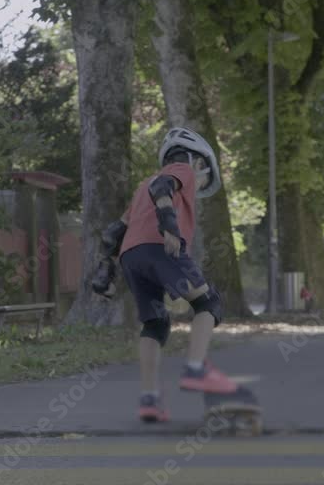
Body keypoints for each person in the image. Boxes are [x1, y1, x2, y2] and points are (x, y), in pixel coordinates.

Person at [91, 127, 238, 423]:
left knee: (156, 324)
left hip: (131, 256)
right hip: (160, 246)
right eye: (205, 178)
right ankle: (196, 368)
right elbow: (163, 187)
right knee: (208, 303)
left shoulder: (141, 186)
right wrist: (170, 227)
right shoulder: (182, 168)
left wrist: (104, 272)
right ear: (199, 162)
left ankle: (150, 400)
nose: (200, 185)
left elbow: (113, 233)